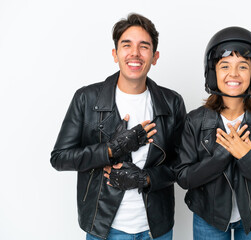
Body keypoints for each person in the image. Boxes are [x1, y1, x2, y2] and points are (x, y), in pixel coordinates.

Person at [50, 13, 186, 240]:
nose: (135, 53)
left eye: (144, 47)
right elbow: (60, 158)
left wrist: (146, 178)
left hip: (156, 229)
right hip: (104, 228)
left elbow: (183, 166)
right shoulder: (86, 98)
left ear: (155, 57)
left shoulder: (172, 102)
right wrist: (111, 149)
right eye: (126, 45)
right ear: (115, 54)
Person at [173, 26, 251, 239]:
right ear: (213, 72)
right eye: (225, 65)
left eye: (243, 66)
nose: (233, 74)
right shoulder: (195, 120)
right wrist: (223, 155)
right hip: (209, 218)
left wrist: (246, 156)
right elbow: (183, 178)